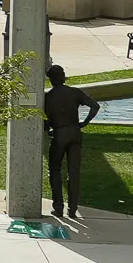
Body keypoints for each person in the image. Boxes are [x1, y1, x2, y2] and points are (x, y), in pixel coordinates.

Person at [40, 63, 102, 221]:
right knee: (74, 171)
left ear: (50, 80)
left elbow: (45, 121)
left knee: (55, 170)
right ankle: (73, 209)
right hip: (75, 133)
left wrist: (49, 129)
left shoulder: (48, 97)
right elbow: (95, 106)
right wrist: (84, 122)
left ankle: (58, 207)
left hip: (60, 134)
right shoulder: (74, 92)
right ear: (63, 76)